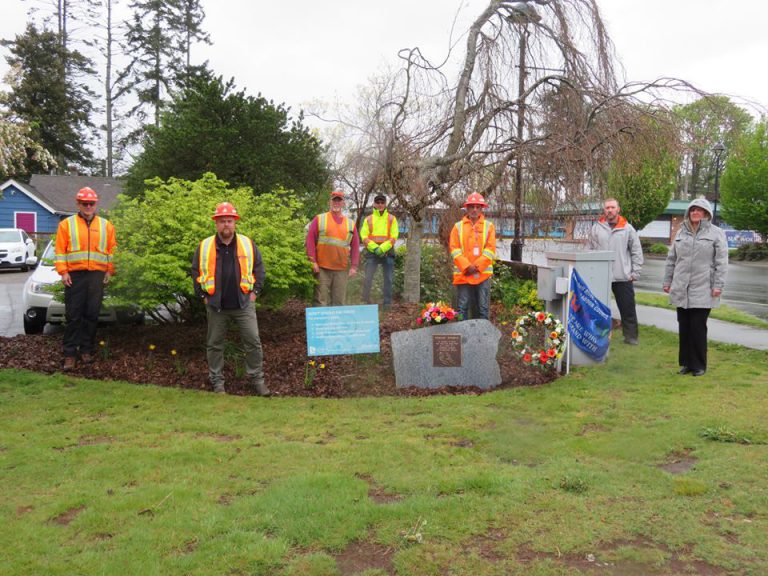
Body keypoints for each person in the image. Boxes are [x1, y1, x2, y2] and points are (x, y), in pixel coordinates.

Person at [191, 202, 270, 396]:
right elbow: (195, 271)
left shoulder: (247, 244)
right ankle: (217, 382)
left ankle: (257, 380)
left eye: (229, 221)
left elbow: (259, 269)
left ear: (235, 223)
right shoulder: (205, 246)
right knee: (215, 344)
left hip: (243, 304)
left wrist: (255, 293)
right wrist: (202, 296)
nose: (226, 224)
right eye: (222, 221)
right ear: (216, 224)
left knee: (253, 342)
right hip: (216, 306)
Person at [663, 197, 728, 377]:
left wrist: (718, 286)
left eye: (699, 210)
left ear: (706, 213)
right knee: (684, 326)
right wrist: (667, 281)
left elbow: (721, 263)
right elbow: (672, 260)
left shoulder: (716, 233)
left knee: (698, 327)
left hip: (704, 288)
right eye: (692, 210)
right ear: (688, 212)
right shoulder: (680, 233)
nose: (695, 213)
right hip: (681, 287)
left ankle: (699, 365)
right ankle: (686, 363)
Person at [54, 187, 117, 371]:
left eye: (91, 203)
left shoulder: (106, 225)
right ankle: (70, 354)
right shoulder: (66, 225)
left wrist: (109, 271)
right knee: (74, 316)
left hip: (97, 276)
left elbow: (112, 251)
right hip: (75, 276)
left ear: (96, 204)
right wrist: (63, 272)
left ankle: (87, 350)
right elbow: (60, 251)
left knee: (91, 315)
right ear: (78, 204)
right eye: (84, 203)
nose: (88, 206)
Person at [588, 197, 644, 345]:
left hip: (622, 277)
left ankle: (631, 337)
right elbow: (590, 251)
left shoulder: (627, 228)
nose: (610, 210)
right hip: (601, 276)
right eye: (607, 207)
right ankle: (597, 336)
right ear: (604, 210)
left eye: (612, 207)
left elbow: (636, 251)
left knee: (628, 308)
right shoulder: (596, 228)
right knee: (598, 308)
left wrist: (635, 272)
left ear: (618, 209)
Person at [305, 190, 360, 306]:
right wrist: (312, 261)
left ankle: (337, 324)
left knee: (339, 302)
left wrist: (354, 266)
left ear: (343, 203)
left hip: (341, 269)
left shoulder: (350, 223)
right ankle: (321, 324)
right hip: (322, 268)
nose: (336, 203)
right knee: (320, 300)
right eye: (334, 200)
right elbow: (310, 240)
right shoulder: (319, 219)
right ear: (330, 202)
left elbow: (355, 246)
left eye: (339, 200)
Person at [449, 192, 496, 320]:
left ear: (481, 209)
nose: (475, 209)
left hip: (482, 274)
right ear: (467, 208)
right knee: (462, 307)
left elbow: (490, 250)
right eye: (472, 206)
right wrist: (467, 267)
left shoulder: (489, 227)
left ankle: (483, 338)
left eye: (478, 207)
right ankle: (463, 336)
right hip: (464, 274)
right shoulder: (457, 227)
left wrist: (476, 267)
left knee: (483, 308)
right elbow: (454, 249)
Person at [360, 194, 399, 309]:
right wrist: (375, 248)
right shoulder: (368, 219)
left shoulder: (392, 218)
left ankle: (387, 303)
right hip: (372, 252)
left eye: (382, 202)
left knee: (388, 279)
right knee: (368, 277)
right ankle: (365, 301)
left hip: (387, 252)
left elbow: (394, 236)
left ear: (385, 204)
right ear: (374, 204)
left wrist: (382, 248)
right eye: (378, 202)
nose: (380, 204)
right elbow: (364, 236)